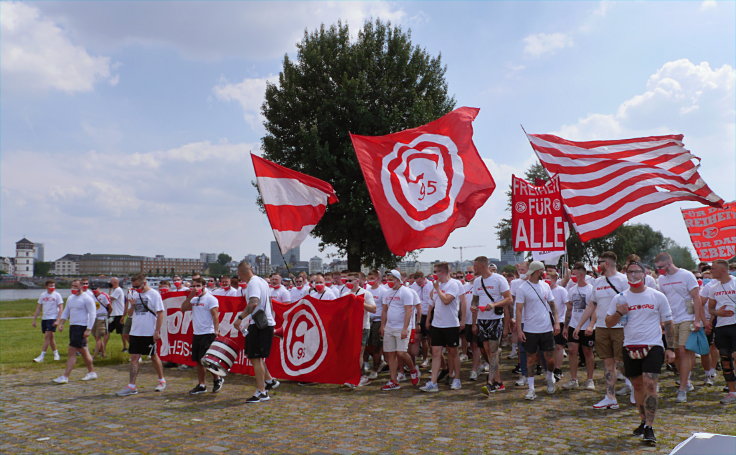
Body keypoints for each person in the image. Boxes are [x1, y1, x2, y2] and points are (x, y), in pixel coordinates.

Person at [605, 260, 675, 446]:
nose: (634, 275)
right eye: (630, 272)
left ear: (644, 274)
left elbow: (668, 323)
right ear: (626, 275)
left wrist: (670, 348)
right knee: (637, 387)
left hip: (653, 346)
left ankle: (650, 427)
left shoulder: (657, 296)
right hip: (630, 346)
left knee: (650, 385)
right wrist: (619, 313)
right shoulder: (620, 298)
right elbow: (609, 323)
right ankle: (643, 421)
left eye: (637, 272)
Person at [577, 251, 631, 409]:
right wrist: (581, 325)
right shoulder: (598, 282)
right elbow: (592, 305)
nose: (597, 265)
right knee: (608, 363)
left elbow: (631, 303)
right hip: (601, 327)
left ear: (606, 264)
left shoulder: (623, 280)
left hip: (620, 327)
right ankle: (610, 396)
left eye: (599, 262)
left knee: (623, 361)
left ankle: (633, 385)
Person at [654, 252, 705, 403]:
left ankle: (682, 388)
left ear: (669, 263)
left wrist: (697, 320)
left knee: (683, 350)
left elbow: (696, 297)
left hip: (686, 317)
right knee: (676, 353)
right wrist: (661, 320)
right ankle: (686, 380)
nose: (659, 270)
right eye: (657, 268)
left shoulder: (686, 275)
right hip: (671, 319)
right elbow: (662, 300)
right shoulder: (662, 279)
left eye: (661, 267)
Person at [234, 261, 278, 403]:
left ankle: (262, 391)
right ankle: (269, 381)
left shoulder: (252, 283)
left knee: (255, 358)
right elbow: (268, 303)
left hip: (259, 324)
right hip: (265, 322)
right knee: (257, 357)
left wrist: (240, 318)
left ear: (241, 273)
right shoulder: (262, 281)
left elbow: (253, 302)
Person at [116, 274, 167, 396]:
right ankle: (131, 386)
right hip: (135, 330)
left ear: (144, 283)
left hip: (149, 331)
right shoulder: (133, 293)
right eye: (133, 286)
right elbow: (129, 314)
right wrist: (132, 305)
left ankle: (161, 380)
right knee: (134, 358)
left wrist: (157, 331)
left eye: (137, 286)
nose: (136, 288)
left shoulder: (154, 294)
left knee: (154, 356)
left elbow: (160, 313)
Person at [515, 261, 559, 400]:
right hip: (530, 329)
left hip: (546, 328)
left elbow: (553, 305)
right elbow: (519, 310)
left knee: (550, 358)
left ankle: (550, 376)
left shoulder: (546, 286)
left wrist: (556, 323)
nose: (544, 273)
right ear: (537, 271)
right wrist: (519, 330)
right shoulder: (522, 288)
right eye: (542, 270)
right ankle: (531, 388)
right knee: (531, 359)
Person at [420, 262, 465, 392]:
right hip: (437, 324)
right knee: (435, 353)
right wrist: (428, 319)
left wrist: (438, 289)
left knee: (453, 352)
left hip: (450, 323)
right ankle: (433, 382)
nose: (435, 274)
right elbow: (432, 303)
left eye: (437, 271)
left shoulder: (454, 284)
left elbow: (446, 300)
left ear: (444, 272)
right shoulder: (436, 287)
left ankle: (456, 378)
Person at [470, 256, 511, 394]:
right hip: (482, 319)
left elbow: (508, 298)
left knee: (493, 352)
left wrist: (493, 304)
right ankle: (498, 382)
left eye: (475, 266)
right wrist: (474, 307)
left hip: (495, 319)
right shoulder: (477, 281)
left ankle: (490, 382)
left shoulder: (499, 279)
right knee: (487, 351)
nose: (473, 269)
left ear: (482, 266)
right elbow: (475, 299)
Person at [380, 270, 419, 391]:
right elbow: (385, 310)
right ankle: (393, 380)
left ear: (398, 279)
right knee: (390, 354)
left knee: (401, 353)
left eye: (391, 279)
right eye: (387, 279)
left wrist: (405, 328)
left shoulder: (406, 292)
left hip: (401, 327)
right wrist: (382, 325)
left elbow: (409, 311)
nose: (389, 282)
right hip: (389, 327)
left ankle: (413, 369)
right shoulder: (387, 293)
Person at [182, 277, 222, 394]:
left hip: (208, 332)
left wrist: (216, 330)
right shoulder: (194, 299)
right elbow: (183, 308)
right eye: (193, 286)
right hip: (197, 332)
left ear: (204, 286)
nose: (195, 288)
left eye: (198, 286)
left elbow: (215, 315)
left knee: (207, 360)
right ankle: (202, 384)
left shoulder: (211, 299)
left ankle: (217, 379)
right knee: (198, 361)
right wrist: (190, 295)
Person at [704, 259, 736, 404]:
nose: (711, 271)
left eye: (714, 269)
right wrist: (718, 313)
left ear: (723, 270)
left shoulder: (735, 282)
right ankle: (732, 392)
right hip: (722, 327)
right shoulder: (713, 287)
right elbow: (710, 308)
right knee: (725, 359)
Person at [52, 280, 97, 384]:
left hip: (81, 327)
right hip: (73, 326)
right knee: (84, 351)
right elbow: (66, 311)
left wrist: (89, 329)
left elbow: (92, 314)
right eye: (72, 286)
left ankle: (65, 376)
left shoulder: (87, 298)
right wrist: (62, 323)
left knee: (72, 351)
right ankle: (91, 372)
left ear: (81, 286)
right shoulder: (71, 298)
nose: (73, 288)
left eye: (76, 286)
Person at [342, 272, 376, 386]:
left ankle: (360, 376)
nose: (348, 283)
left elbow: (373, 309)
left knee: (359, 353)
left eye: (350, 280)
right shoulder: (345, 293)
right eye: (347, 281)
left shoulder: (365, 293)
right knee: (351, 353)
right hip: (350, 327)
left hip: (362, 327)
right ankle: (351, 375)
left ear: (357, 281)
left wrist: (360, 302)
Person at [566, 263, 596, 390]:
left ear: (582, 274)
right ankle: (574, 379)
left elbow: (595, 309)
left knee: (587, 352)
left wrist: (591, 324)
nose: (573, 276)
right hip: (574, 324)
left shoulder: (591, 289)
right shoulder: (572, 289)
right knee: (572, 351)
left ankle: (590, 379)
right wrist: (565, 326)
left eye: (575, 273)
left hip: (587, 326)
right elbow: (569, 309)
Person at [546, 266, 569, 382]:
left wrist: (565, 324)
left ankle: (558, 369)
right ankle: (548, 369)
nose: (547, 280)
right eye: (545, 277)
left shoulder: (561, 290)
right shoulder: (542, 289)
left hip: (559, 321)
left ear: (555, 278)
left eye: (549, 277)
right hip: (544, 322)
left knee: (559, 347)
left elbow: (568, 306)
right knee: (547, 348)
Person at [33, 280, 63, 362]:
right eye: (50, 286)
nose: (52, 287)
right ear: (46, 286)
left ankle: (41, 356)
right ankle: (56, 353)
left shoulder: (57, 295)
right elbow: (39, 307)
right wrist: (34, 319)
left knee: (47, 337)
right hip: (45, 318)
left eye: (53, 286)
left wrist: (58, 320)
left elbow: (61, 308)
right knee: (51, 338)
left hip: (53, 318)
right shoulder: (43, 295)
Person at [410, 272, 433, 368]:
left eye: (420, 282)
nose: (418, 284)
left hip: (428, 314)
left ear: (423, 278)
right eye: (417, 282)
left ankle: (427, 358)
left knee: (429, 339)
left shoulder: (431, 285)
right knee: (417, 338)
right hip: (417, 315)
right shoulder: (413, 287)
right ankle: (413, 364)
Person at [106, 277, 127, 352]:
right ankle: (102, 348)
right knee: (107, 331)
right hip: (113, 314)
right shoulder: (114, 290)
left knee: (122, 332)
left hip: (118, 314)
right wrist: (110, 289)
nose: (109, 284)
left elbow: (110, 299)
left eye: (110, 282)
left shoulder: (118, 290)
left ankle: (125, 347)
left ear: (115, 282)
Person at [90, 285, 111, 358]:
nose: (94, 290)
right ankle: (103, 353)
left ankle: (94, 355)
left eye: (95, 288)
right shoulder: (92, 296)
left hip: (102, 318)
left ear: (99, 288)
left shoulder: (104, 296)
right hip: (94, 318)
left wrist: (107, 316)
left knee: (98, 336)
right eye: (92, 289)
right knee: (95, 336)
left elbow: (110, 307)